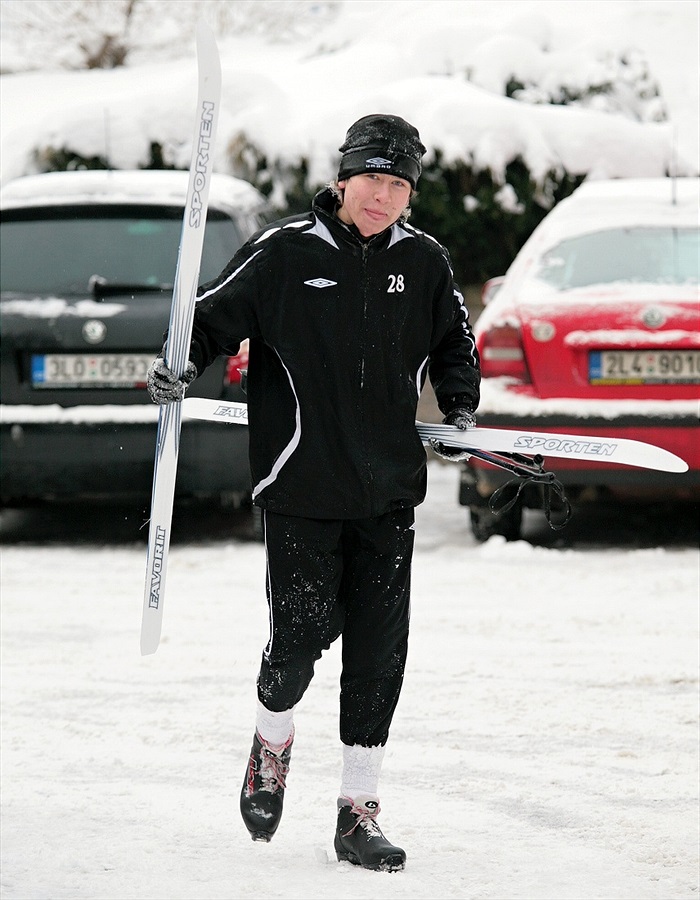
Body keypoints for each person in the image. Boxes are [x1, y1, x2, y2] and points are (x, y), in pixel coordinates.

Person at [147, 113, 481, 872]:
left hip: (389, 494)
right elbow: (208, 321)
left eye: (399, 184)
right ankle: (271, 743)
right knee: (297, 643)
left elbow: (453, 343)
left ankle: (357, 812)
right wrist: (176, 366)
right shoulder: (284, 252)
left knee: (377, 656)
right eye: (374, 179)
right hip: (300, 486)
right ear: (344, 177)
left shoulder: (423, 261)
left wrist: (460, 406)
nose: (384, 195)